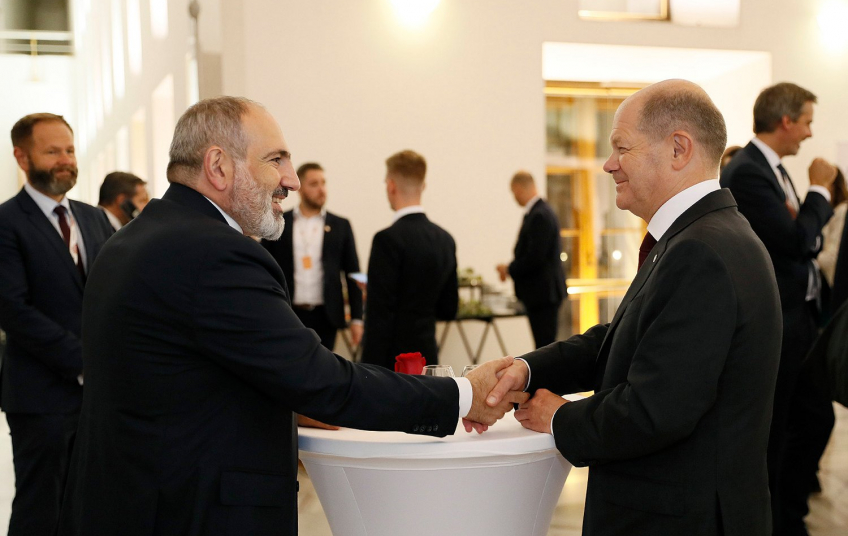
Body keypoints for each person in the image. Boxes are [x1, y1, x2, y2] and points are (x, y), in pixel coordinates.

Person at [55, 97, 524, 536]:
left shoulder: (133, 239)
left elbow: (179, 376)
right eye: (275, 159)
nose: (292, 180)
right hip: (190, 513)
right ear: (218, 166)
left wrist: (291, 399)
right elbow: (323, 381)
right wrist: (464, 394)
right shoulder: (215, 253)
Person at [486, 80, 782, 534]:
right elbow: (623, 338)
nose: (608, 164)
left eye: (622, 148)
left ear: (678, 149)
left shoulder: (701, 251)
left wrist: (560, 417)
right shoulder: (698, 237)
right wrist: (527, 369)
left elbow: (655, 410)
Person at [720, 82, 838, 535]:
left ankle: (790, 516)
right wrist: (821, 191)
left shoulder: (771, 169)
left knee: (813, 419)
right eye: (806, 122)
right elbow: (797, 240)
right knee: (780, 430)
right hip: (778, 323)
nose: (809, 133)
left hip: (799, 321)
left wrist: (809, 223)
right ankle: (777, 522)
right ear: (786, 121)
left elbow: (807, 240)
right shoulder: (748, 172)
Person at [0, 113, 113, 536]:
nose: (65, 159)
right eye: (52, 151)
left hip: (99, 397)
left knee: (90, 506)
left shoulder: (93, 219)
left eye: (69, 150)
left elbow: (112, 295)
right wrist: (83, 360)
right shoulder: (7, 222)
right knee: (41, 508)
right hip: (40, 396)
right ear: (22, 157)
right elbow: (13, 309)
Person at [360, 150, 458, 369]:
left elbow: (379, 316)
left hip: (392, 361)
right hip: (427, 357)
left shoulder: (387, 240)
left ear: (391, 186)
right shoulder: (445, 239)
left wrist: (367, 370)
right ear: (423, 186)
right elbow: (448, 308)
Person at [261, 162, 364, 351]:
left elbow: (353, 273)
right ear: (300, 188)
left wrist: (357, 318)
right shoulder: (280, 221)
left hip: (327, 315)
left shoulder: (340, 225)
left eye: (323, 183)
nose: (321, 189)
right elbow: (264, 268)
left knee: (325, 366)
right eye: (314, 184)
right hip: (288, 312)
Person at [496, 171, 567, 348]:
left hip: (543, 294)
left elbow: (535, 257)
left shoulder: (539, 215)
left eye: (514, 192)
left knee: (545, 347)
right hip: (543, 294)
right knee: (543, 345)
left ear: (519, 189)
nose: (514, 197)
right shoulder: (540, 212)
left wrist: (509, 269)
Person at [817, 167, 847, 289]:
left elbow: (832, 256)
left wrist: (809, 262)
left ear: (832, 186)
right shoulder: (832, 211)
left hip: (832, 284)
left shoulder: (842, 211)